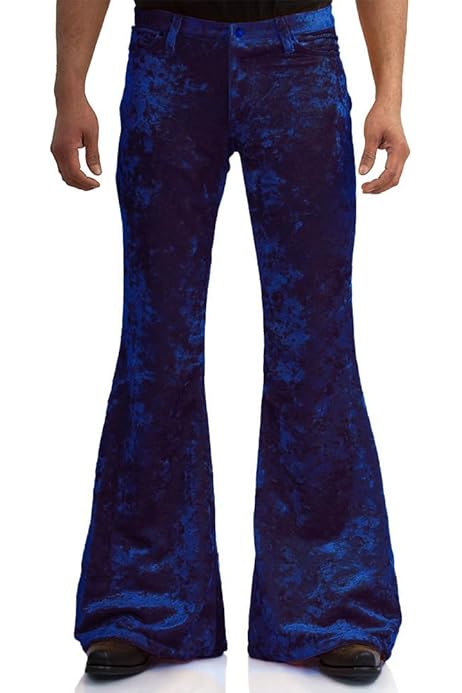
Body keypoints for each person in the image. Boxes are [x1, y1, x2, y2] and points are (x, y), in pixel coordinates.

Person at [50, 0, 410, 683]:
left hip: (300, 60)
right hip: (167, 57)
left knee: (315, 344)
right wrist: (70, 85)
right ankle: (140, 604)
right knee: (156, 343)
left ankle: (333, 607)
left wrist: (389, 92)